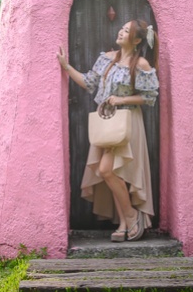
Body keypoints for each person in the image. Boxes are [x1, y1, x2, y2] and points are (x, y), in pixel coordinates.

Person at [57, 20, 159, 242]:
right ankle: (125, 222)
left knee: (107, 169)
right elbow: (88, 82)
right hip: (107, 120)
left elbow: (149, 97)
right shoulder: (107, 59)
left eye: (127, 31)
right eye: (121, 28)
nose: (121, 32)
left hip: (127, 120)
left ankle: (133, 217)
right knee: (110, 172)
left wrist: (121, 98)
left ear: (138, 40)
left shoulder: (140, 64)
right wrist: (66, 67)